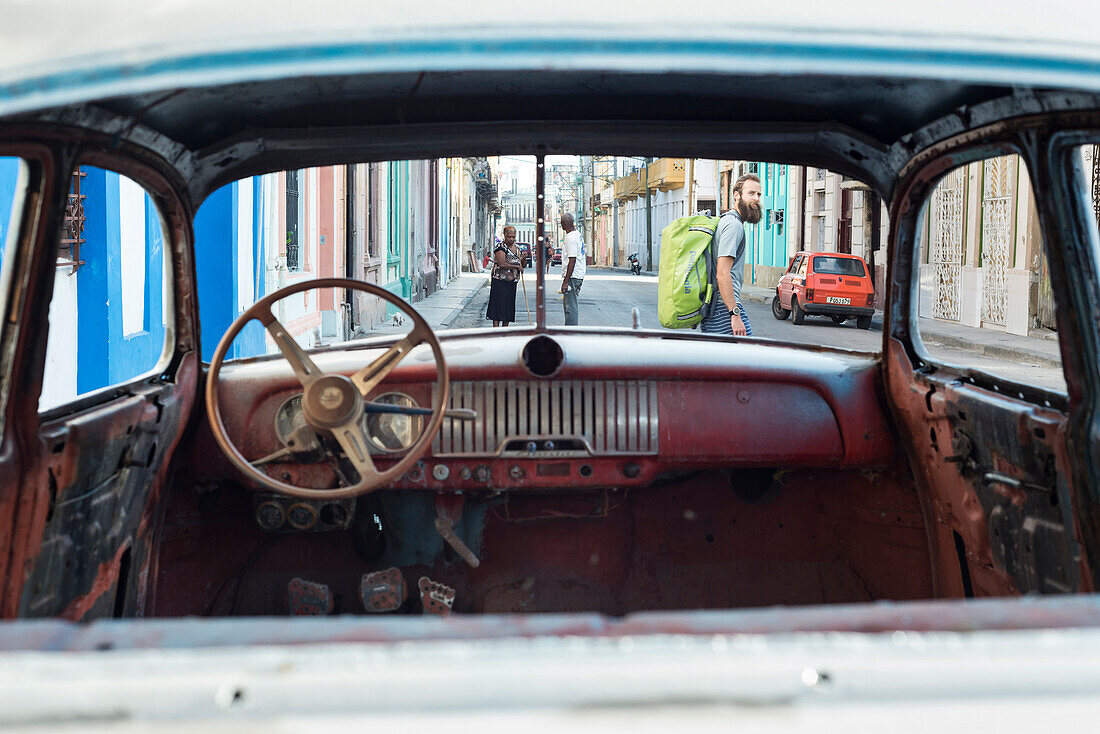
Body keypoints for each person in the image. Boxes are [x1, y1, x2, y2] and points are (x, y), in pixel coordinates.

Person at [701, 173, 762, 336]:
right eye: (751, 193)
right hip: (723, 308)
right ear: (737, 195)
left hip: (718, 308)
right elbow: (722, 273)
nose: (756, 198)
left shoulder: (726, 220)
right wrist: (734, 314)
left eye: (758, 194)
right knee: (744, 357)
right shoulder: (733, 225)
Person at [486, 226, 525, 327]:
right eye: (509, 237)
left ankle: (505, 329)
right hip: (500, 281)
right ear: (505, 236)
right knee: (498, 305)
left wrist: (523, 259)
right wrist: (516, 266)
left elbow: (522, 264)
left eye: (513, 237)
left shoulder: (517, 248)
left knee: (508, 306)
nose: (511, 239)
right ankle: (496, 330)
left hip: (512, 282)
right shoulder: (500, 247)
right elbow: (502, 263)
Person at [559, 213, 587, 325]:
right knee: (570, 305)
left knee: (570, 307)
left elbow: (572, 260)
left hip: (573, 276)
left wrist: (566, 281)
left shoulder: (570, 238)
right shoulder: (578, 235)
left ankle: (570, 331)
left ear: (564, 224)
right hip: (578, 274)